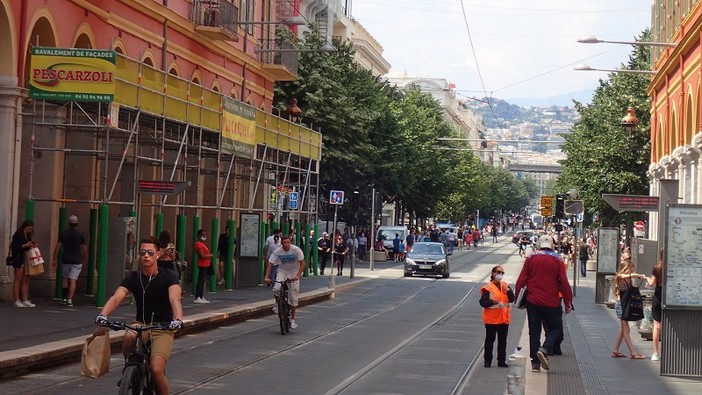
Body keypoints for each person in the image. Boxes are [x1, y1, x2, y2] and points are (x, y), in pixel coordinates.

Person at [95, 236, 183, 395]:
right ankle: (130, 367)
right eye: (143, 253)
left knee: (156, 369)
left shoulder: (169, 276)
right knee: (129, 336)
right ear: (139, 254)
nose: (146, 256)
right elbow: (117, 298)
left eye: (150, 252)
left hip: (162, 327)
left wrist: (177, 319)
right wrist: (103, 315)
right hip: (140, 323)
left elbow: (174, 298)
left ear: (157, 254)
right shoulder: (134, 278)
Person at [515, 235, 573, 372]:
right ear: (551, 245)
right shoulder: (557, 259)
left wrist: (518, 298)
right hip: (551, 301)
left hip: (533, 301)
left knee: (534, 332)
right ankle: (545, 348)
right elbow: (564, 282)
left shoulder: (531, 258)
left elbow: (522, 279)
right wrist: (568, 301)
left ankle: (535, 363)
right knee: (555, 327)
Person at [264, 235, 305, 329]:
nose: (286, 244)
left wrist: (297, 275)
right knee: (276, 288)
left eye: (288, 242)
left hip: (294, 272)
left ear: (290, 242)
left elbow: (303, 264)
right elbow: (270, 263)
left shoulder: (296, 250)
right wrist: (267, 277)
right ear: (281, 243)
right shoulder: (278, 251)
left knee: (293, 297)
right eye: (284, 243)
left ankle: (293, 319)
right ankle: (277, 304)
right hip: (282, 271)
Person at [611, 256, 647, 359]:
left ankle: (615, 350)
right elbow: (619, 276)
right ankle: (633, 352)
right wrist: (635, 275)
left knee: (623, 330)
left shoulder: (627, 279)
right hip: (621, 306)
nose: (631, 271)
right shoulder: (620, 277)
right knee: (626, 330)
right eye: (630, 269)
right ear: (625, 269)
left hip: (624, 305)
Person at [479, 265, 514, 368]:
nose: (500, 275)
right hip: (492, 319)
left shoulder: (505, 285)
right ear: (493, 273)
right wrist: (491, 302)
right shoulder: (488, 288)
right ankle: (488, 360)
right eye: (498, 272)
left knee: (503, 341)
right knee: (490, 340)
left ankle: (501, 361)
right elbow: (482, 302)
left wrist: (508, 290)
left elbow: (512, 299)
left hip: (504, 318)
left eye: (502, 273)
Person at [51, 215, 87, 307]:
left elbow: (57, 247)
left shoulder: (64, 234)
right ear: (77, 223)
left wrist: (54, 258)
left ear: (69, 223)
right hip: (76, 259)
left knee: (65, 278)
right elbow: (84, 249)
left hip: (66, 258)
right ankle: (70, 299)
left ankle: (64, 298)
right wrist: (84, 258)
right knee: (73, 279)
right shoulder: (80, 235)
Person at [9, 220, 38, 308]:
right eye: (29, 229)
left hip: (26, 258)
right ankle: (17, 300)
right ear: (25, 227)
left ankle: (25, 299)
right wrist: (26, 245)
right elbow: (14, 247)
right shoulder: (18, 235)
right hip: (19, 258)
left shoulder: (28, 236)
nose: (30, 231)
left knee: (26, 280)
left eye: (31, 229)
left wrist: (32, 245)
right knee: (18, 279)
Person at [646, 249, 664, 361]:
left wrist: (647, 278)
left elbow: (652, 283)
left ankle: (656, 353)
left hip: (658, 297)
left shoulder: (657, 267)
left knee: (657, 326)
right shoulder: (672, 266)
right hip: (669, 298)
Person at [193, 229, 213, 304]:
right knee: (200, 281)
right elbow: (202, 256)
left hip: (206, 264)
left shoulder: (202, 244)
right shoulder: (198, 244)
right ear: (199, 235)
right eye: (203, 234)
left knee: (203, 280)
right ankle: (197, 297)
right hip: (202, 264)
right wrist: (210, 255)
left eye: (205, 234)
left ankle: (201, 296)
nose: (205, 236)